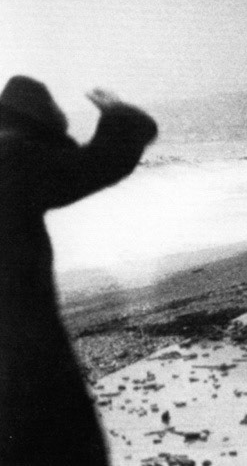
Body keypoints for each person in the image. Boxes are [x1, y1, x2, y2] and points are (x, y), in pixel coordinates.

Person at [1, 76, 158, 465]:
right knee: (53, 437)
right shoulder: (13, 158)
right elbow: (95, 164)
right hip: (17, 333)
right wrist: (120, 116)